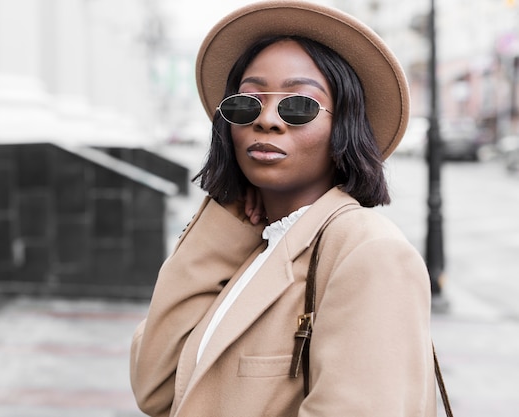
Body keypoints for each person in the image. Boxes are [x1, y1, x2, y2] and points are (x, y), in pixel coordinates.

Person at [130, 1, 438, 416]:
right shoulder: (251, 244)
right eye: (248, 103)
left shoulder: (367, 251)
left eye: (298, 106)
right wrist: (223, 218)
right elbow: (155, 387)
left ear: (344, 125)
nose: (268, 120)